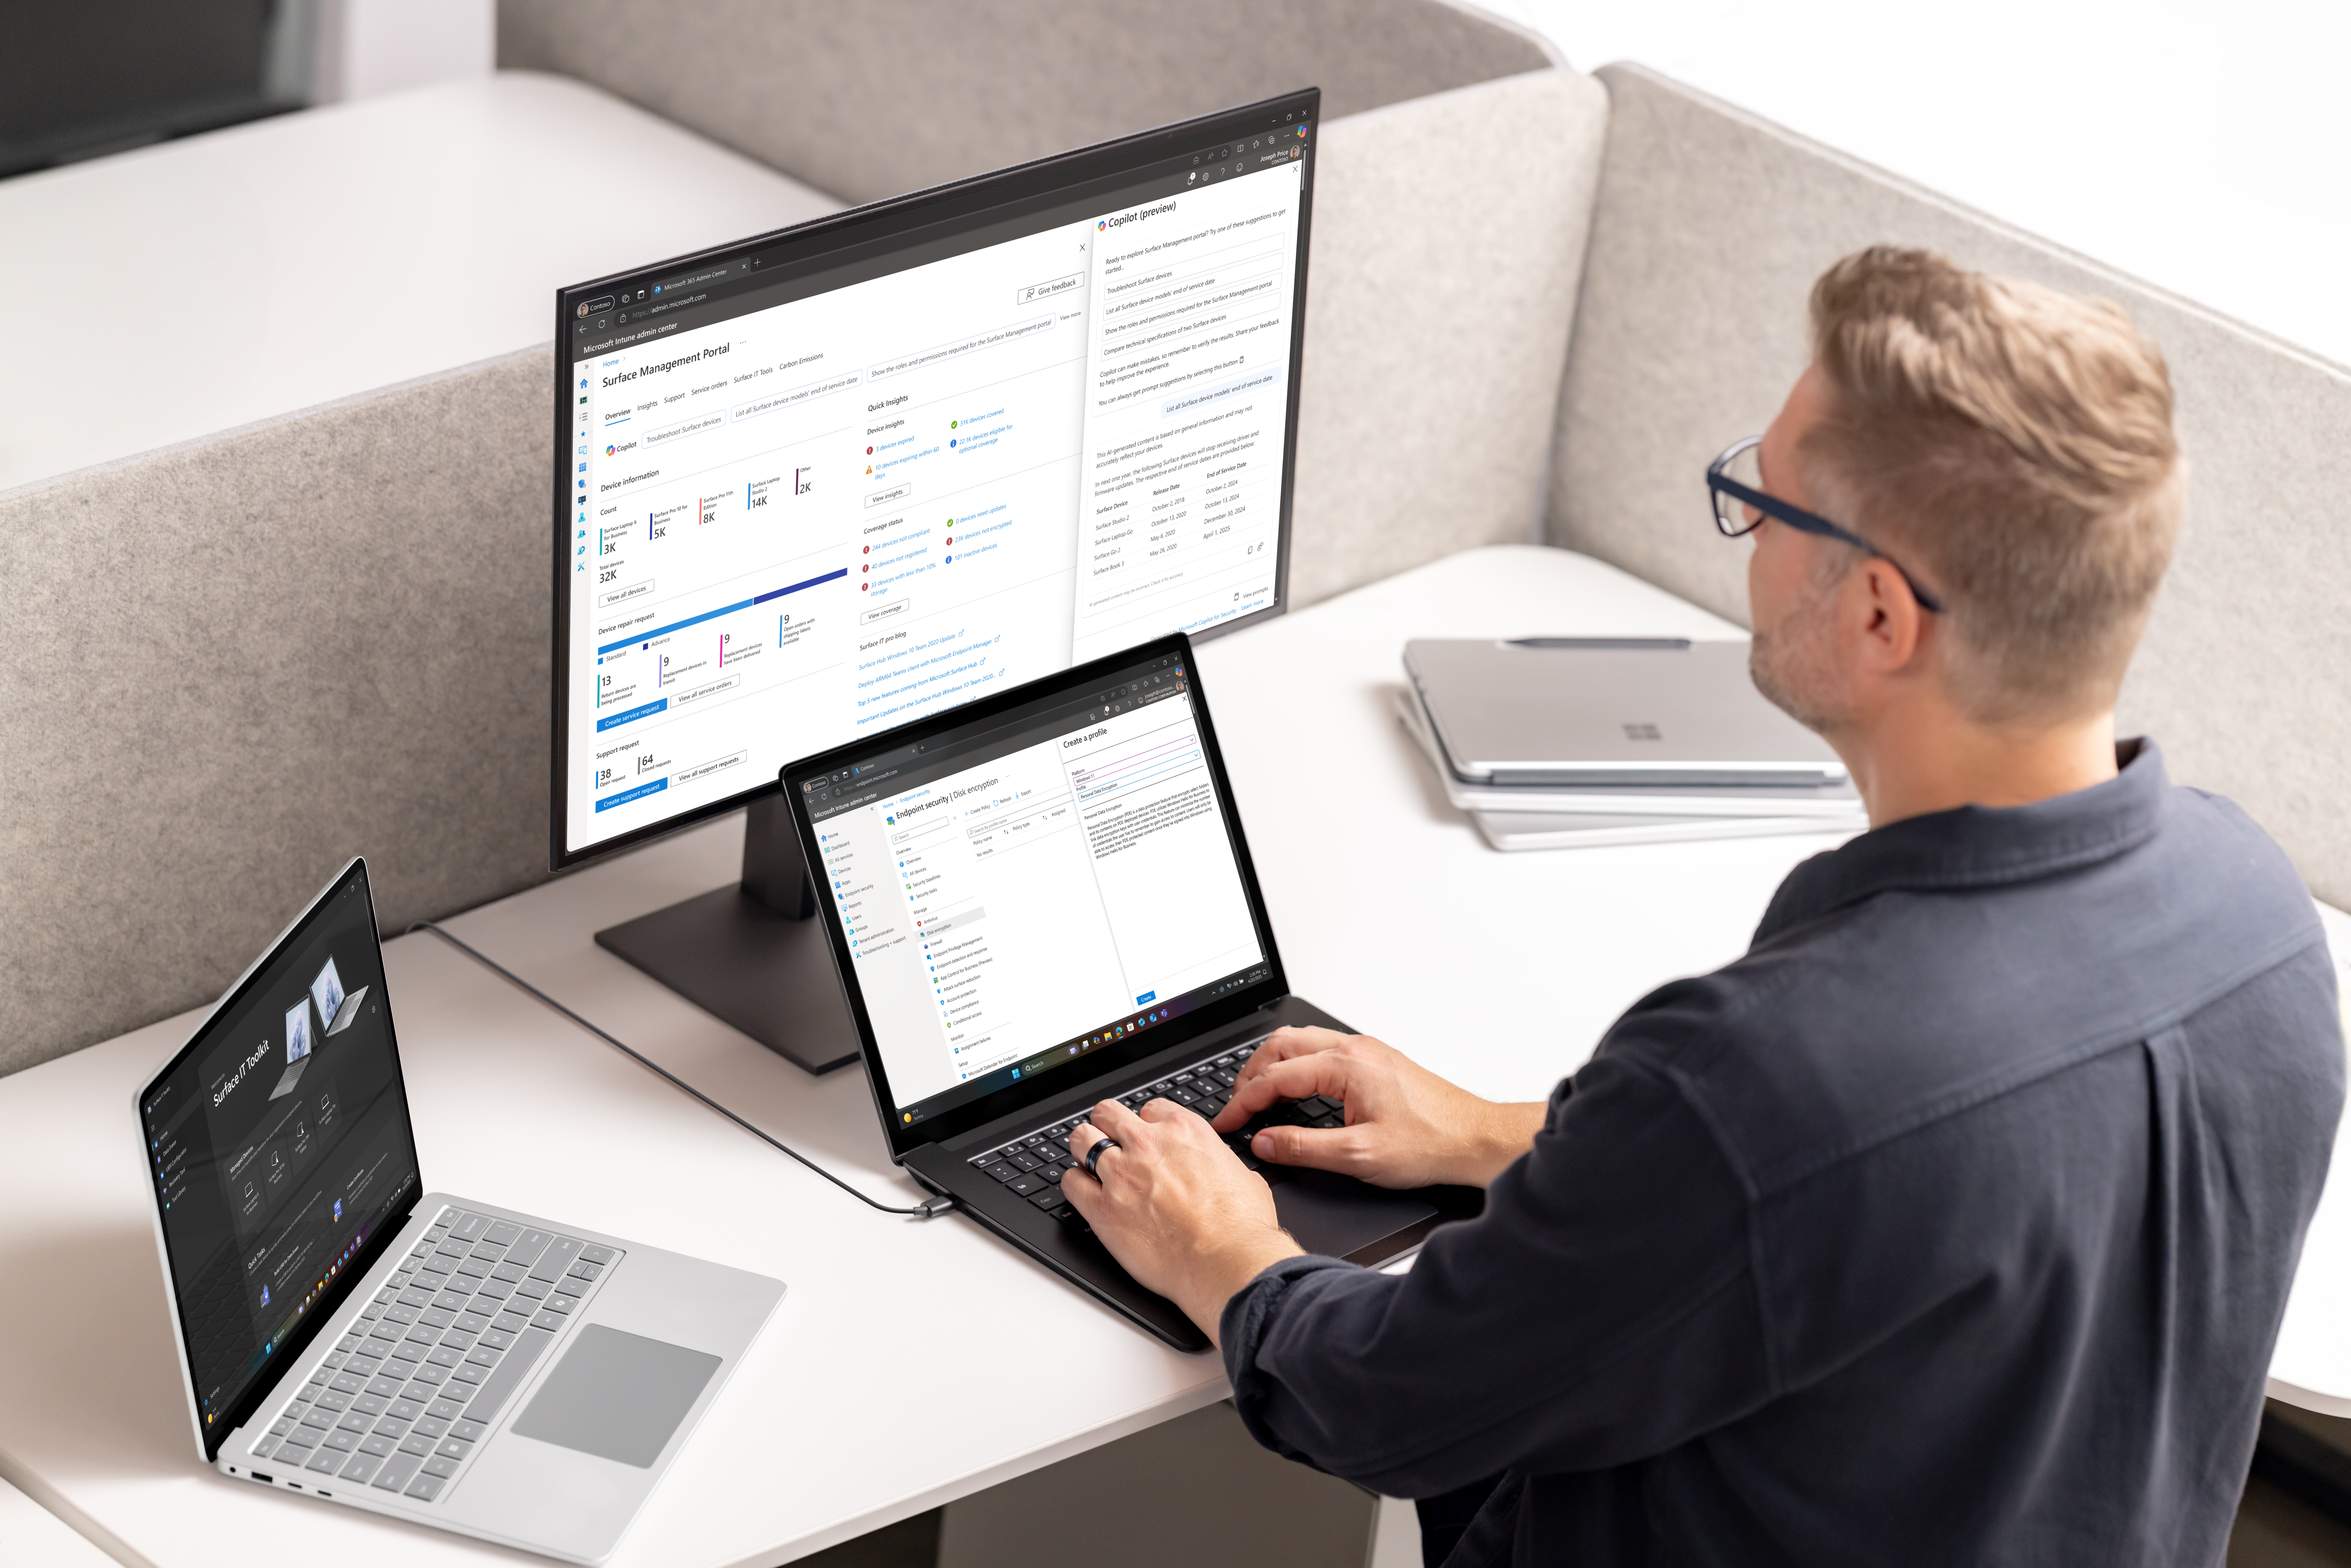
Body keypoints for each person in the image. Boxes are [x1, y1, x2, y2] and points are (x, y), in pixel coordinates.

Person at [1060, 247, 2344, 1566]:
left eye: (1761, 501)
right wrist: (1508, 1138)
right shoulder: (2264, 928)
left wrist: (1222, 1250)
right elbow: (1887, 1214)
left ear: (1878, 611)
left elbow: (1386, 1401)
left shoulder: (1766, 1077)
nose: (1744, 534)